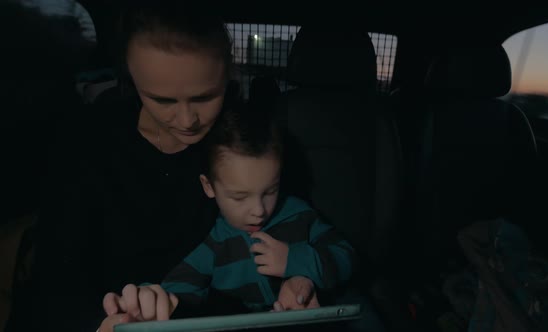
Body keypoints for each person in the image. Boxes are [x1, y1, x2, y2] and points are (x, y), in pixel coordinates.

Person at [26, 2, 318, 332]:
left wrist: (299, 282)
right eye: (161, 100)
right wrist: (102, 326)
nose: (186, 121)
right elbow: (55, 279)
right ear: (131, 77)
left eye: (205, 97)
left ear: (228, 74)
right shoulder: (86, 145)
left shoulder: (253, 142)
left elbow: (295, 229)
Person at [102, 104, 357, 321]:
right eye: (239, 196)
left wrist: (297, 262)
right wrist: (147, 300)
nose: (259, 210)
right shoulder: (213, 243)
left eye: (271, 190)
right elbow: (176, 292)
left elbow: (346, 256)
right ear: (208, 186)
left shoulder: (300, 214)